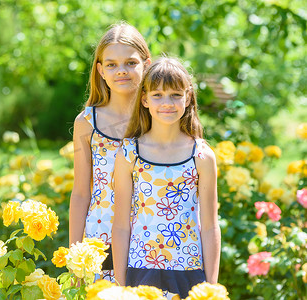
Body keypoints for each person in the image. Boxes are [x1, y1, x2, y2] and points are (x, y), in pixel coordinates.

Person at [112, 56, 221, 299]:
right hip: (140, 270)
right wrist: (120, 286)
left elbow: (211, 226)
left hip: (189, 272)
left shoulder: (202, 156)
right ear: (145, 99)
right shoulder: (129, 153)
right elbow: (120, 226)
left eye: (175, 95)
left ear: (188, 97)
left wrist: (211, 287)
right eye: (158, 95)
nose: (167, 103)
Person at [69, 22, 151, 282]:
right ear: (101, 70)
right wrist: (75, 256)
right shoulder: (86, 123)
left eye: (131, 63)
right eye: (112, 64)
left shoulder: (161, 118)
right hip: (100, 238)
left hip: (152, 238)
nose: (121, 71)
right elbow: (82, 192)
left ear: (146, 64)